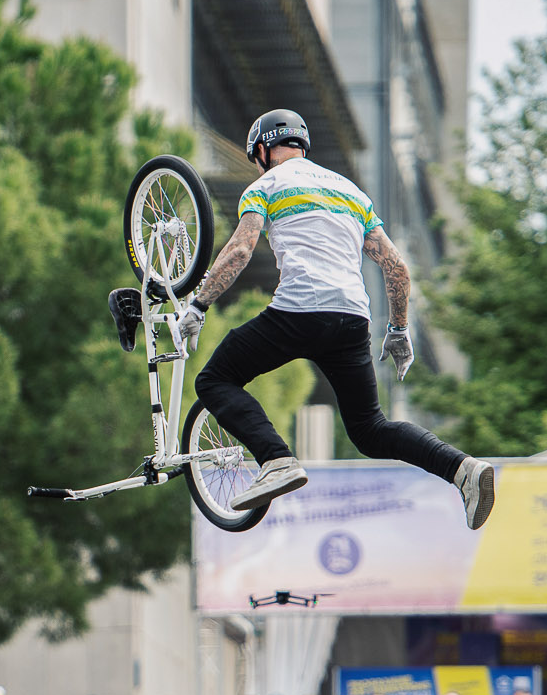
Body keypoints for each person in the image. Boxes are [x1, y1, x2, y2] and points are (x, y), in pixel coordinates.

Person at [182, 109, 494, 524]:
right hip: (351, 319)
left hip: (300, 310)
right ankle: (463, 470)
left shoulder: (266, 185)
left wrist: (199, 305)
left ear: (262, 149)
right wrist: (399, 330)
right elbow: (396, 266)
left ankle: (276, 460)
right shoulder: (350, 192)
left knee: (214, 380)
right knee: (370, 429)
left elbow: (239, 251)